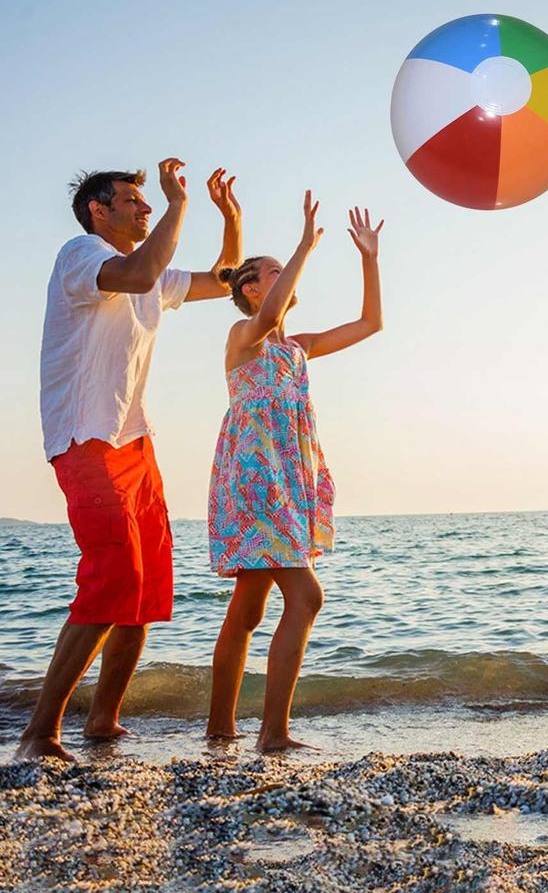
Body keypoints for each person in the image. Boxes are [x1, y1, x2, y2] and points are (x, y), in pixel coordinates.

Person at [17, 161, 243, 761]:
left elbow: (224, 282)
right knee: (110, 576)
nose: (144, 210)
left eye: (149, 203)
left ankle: (103, 721)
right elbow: (141, 274)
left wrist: (231, 219)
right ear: (99, 209)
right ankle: (39, 732)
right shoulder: (81, 253)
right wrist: (178, 205)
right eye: (133, 201)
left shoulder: (147, 275)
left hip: (134, 441)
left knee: (144, 585)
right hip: (84, 438)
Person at [206, 194, 383, 752]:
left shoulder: (299, 349)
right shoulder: (243, 339)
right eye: (274, 271)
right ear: (251, 288)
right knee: (306, 597)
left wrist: (369, 259)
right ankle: (273, 735)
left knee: (250, 607)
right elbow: (267, 318)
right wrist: (305, 242)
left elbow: (371, 324)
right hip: (256, 479)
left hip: (286, 478)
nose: (286, 276)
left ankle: (219, 730)